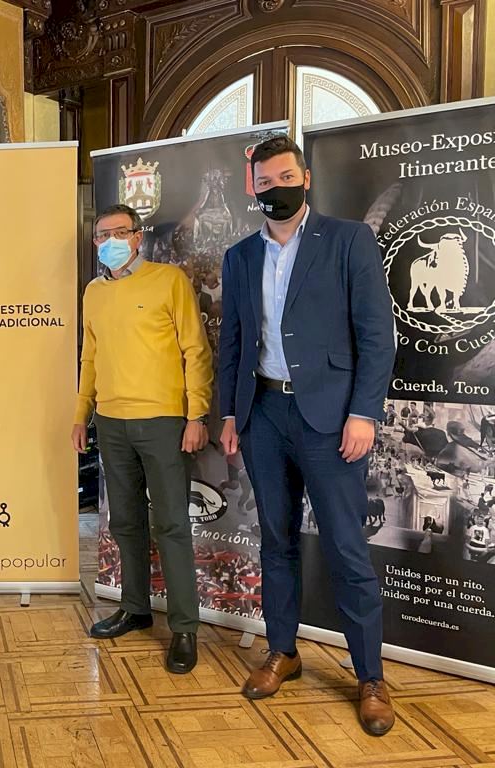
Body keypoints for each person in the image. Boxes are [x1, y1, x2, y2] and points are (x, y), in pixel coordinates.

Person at [218, 136, 396, 735]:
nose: (276, 189)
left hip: (331, 419)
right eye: (265, 182)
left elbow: (377, 336)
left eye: (285, 178)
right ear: (252, 188)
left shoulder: (349, 240)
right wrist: (229, 415)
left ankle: (370, 676)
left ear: (306, 178)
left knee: (346, 547)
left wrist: (364, 413)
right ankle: (283, 651)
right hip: (263, 416)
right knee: (276, 541)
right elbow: (233, 342)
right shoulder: (241, 256)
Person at [72, 203, 213, 674]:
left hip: (163, 421)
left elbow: (195, 350)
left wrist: (196, 415)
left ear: (137, 236)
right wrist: (81, 414)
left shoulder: (168, 280)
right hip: (111, 422)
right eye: (101, 235)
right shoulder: (93, 292)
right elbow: (90, 357)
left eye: (119, 232)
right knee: (126, 522)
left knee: (171, 524)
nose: (110, 241)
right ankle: (135, 608)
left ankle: (184, 628)